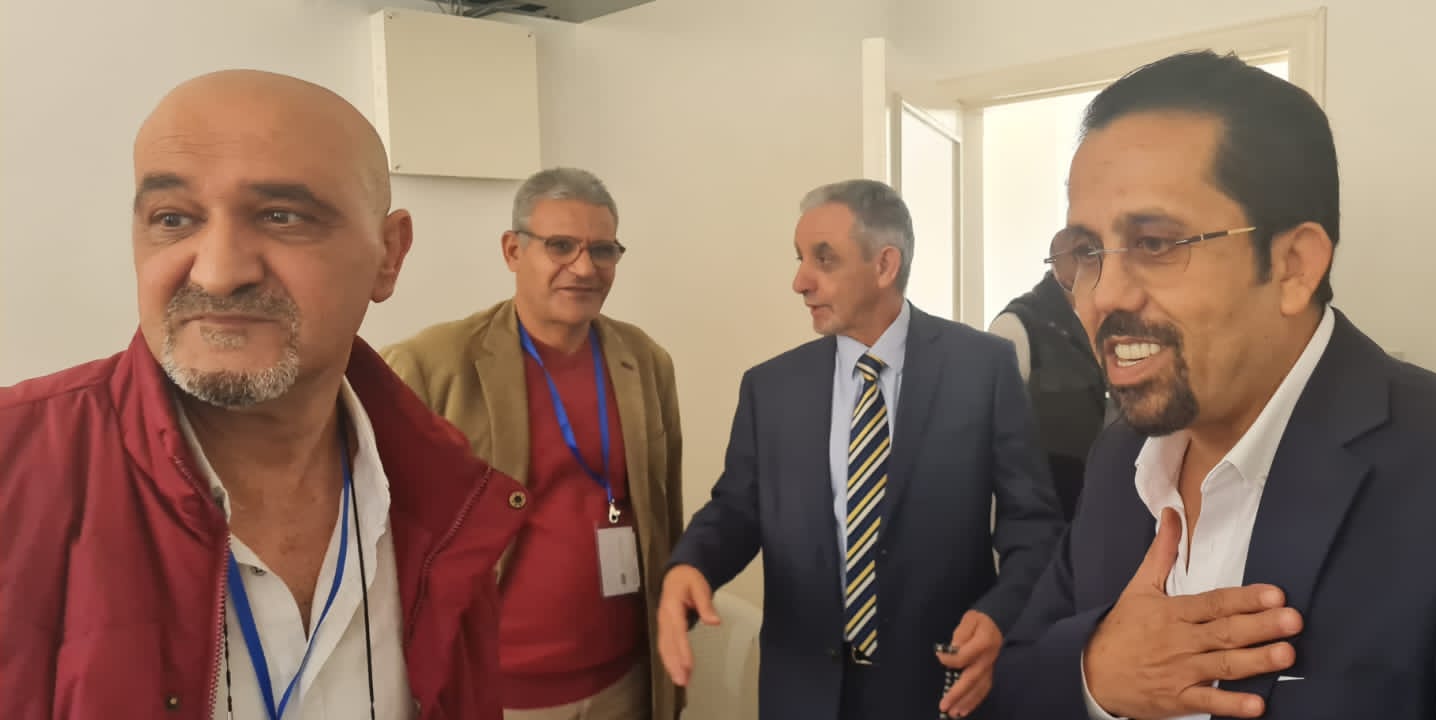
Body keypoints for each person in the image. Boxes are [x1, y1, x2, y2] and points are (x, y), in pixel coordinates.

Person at [987, 51, 1436, 720]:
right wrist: (1096, 674)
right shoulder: (1120, 460)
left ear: (1293, 265)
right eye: (1086, 253)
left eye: (1155, 244)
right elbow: (1017, 677)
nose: (1103, 294)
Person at [0, 70, 528, 719]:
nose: (219, 274)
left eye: (282, 217)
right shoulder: (14, 472)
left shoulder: (446, 493)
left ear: (388, 255)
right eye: (173, 219)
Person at [655, 179, 1063, 720]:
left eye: (823, 259)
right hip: (803, 691)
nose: (800, 281)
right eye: (800, 258)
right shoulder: (771, 388)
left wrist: (1000, 615)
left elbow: (1033, 526)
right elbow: (735, 510)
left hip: (939, 686)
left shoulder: (982, 369)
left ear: (885, 265)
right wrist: (692, 564)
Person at [382, 167, 683, 720]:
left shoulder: (644, 362)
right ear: (513, 250)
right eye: (561, 246)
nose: (584, 268)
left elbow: (665, 512)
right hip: (493, 690)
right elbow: (383, 538)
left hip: (624, 680)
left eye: (603, 250)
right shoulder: (431, 366)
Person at [987, 228, 1108, 516]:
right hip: (1047, 515)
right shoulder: (1016, 326)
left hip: (1107, 504)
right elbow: (994, 445)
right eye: (1086, 253)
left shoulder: (1116, 317)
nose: (1097, 262)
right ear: (1058, 261)